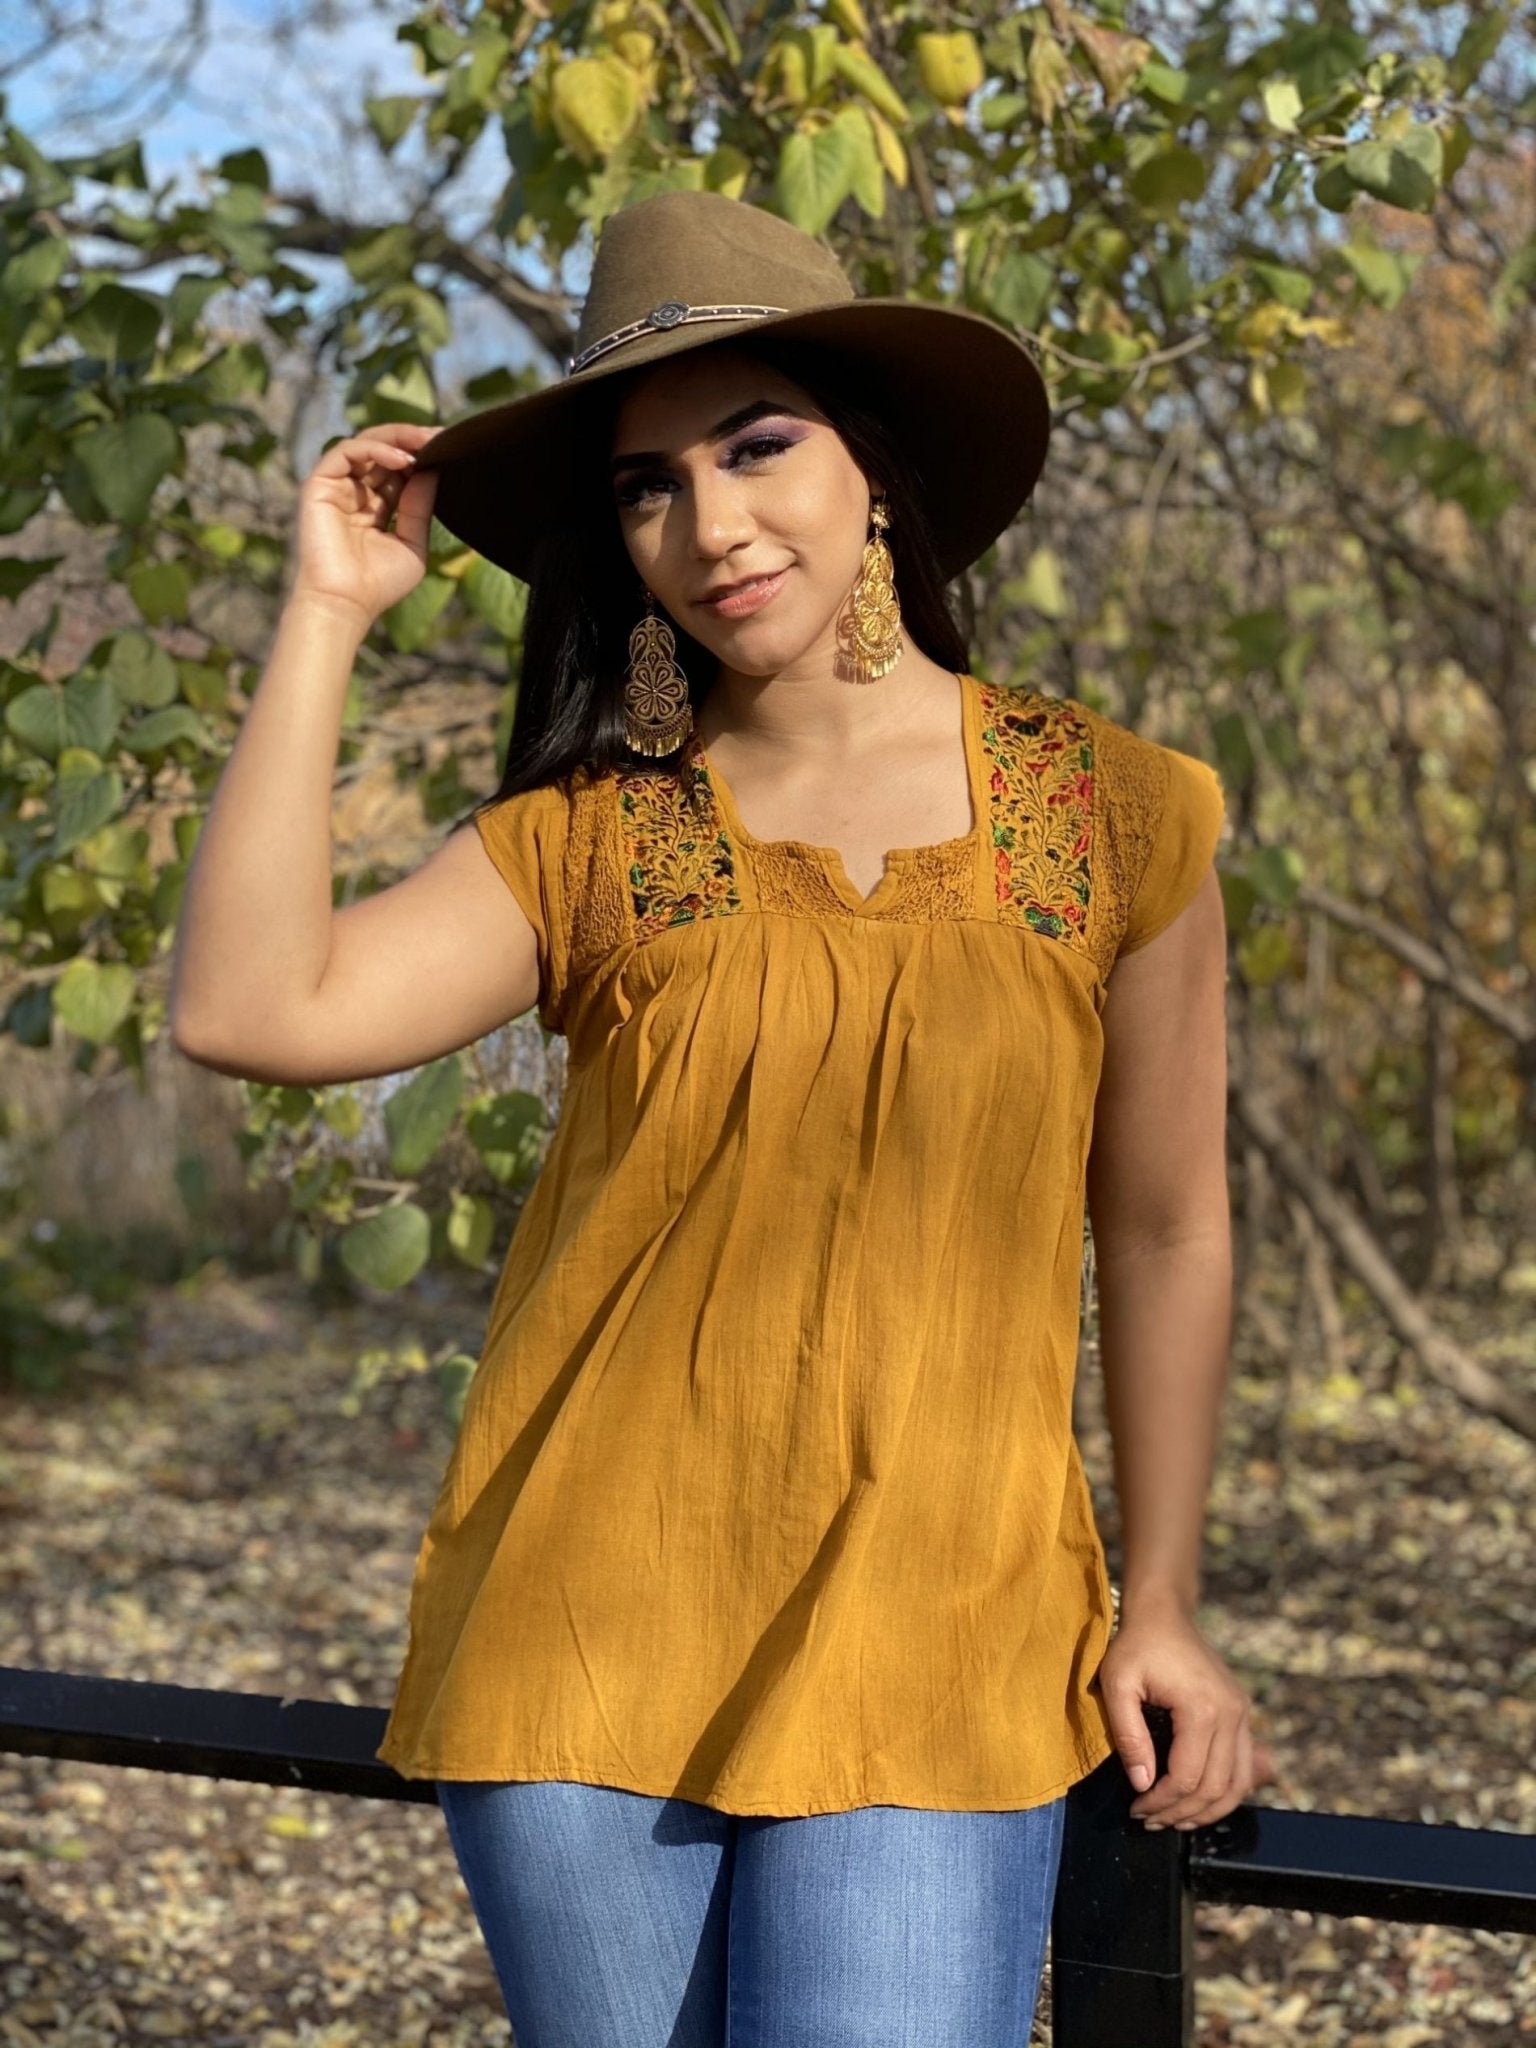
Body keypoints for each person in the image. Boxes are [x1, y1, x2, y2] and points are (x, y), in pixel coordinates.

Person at [170, 189, 1274, 2046]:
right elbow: (247, 1006)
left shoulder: (1116, 809)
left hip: (946, 1630)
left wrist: (1159, 1598)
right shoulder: (594, 835)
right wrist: (325, 613)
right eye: (648, 486)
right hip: (588, 1626)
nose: (712, 524)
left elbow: (1164, 1225)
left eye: (759, 446)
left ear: (879, 475)